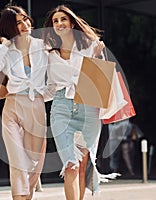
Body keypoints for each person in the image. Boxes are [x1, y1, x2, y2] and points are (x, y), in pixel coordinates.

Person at [43, 5, 120, 200]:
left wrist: (98, 56)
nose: (59, 23)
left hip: (88, 107)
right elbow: (51, 88)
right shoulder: (50, 54)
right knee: (71, 164)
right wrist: (30, 97)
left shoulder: (91, 46)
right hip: (61, 108)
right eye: (55, 21)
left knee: (84, 163)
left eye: (63, 19)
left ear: (71, 22)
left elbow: (101, 77)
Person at [0, 5, 48, 200]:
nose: (24, 25)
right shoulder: (7, 49)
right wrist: (3, 45)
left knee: (35, 159)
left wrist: (46, 94)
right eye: (18, 23)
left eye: (25, 20)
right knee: (17, 158)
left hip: (36, 105)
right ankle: (18, 197)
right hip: (12, 106)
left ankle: (27, 195)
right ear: (10, 27)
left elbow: (57, 73)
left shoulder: (42, 45)